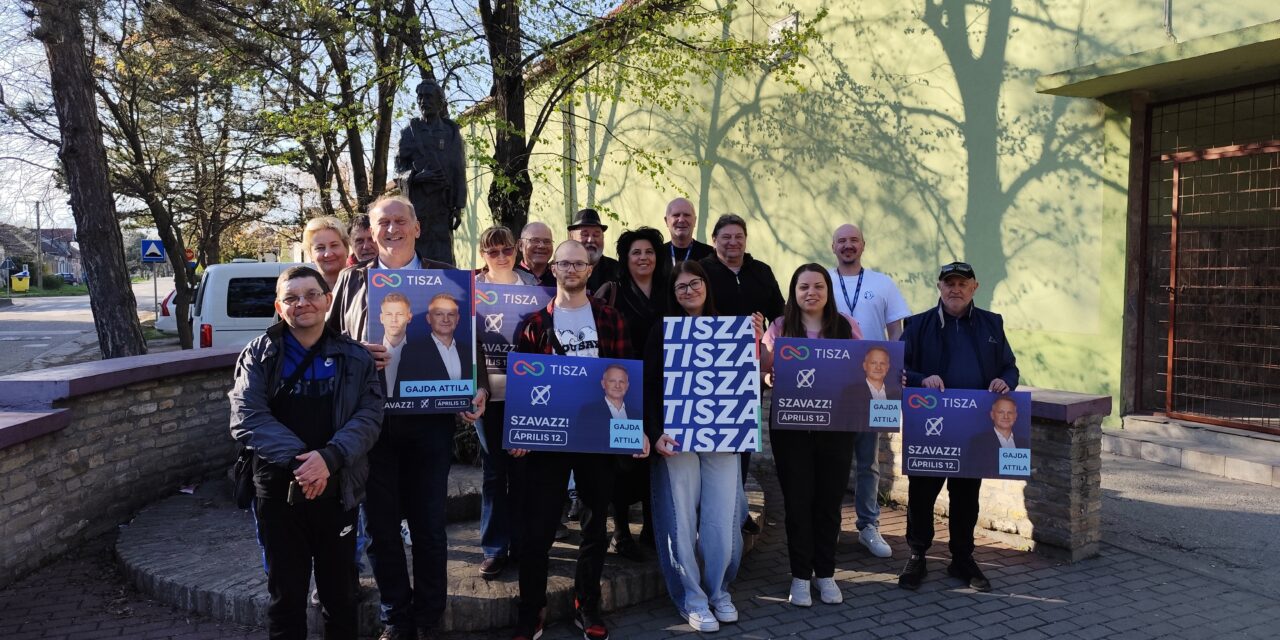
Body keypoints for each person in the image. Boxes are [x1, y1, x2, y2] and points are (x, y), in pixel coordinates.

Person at [326, 195, 489, 640]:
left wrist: (477, 386)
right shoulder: (352, 280)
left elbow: (469, 342)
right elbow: (332, 344)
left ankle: (430, 616)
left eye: (401, 221)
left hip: (429, 422)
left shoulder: (447, 277)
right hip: (371, 425)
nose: (392, 229)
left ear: (417, 228)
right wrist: (356, 353)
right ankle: (396, 617)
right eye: (384, 223)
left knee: (429, 525)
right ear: (372, 231)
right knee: (378, 528)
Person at [229, 265, 383, 640]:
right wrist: (306, 463)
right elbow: (246, 416)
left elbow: (369, 415)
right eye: (292, 298)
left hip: (337, 487)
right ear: (279, 308)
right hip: (278, 492)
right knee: (286, 596)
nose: (303, 304)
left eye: (312, 295)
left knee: (340, 595)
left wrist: (328, 459)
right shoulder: (259, 354)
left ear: (327, 300)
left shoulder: (354, 357)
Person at [508, 240, 646, 640]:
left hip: (596, 438)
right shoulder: (534, 324)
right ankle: (531, 610)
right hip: (548, 442)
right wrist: (519, 433)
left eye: (578, 264)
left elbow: (625, 378)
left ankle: (586, 604)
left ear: (589, 270)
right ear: (554, 269)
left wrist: (632, 432)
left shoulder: (610, 319)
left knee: (593, 529)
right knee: (538, 531)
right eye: (563, 263)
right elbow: (523, 386)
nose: (570, 269)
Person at [898, 261, 1018, 594]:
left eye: (962, 283)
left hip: (974, 426)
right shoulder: (918, 324)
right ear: (939, 287)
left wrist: (1003, 381)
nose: (955, 289)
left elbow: (1010, 367)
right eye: (949, 283)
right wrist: (923, 379)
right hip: (930, 426)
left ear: (975, 287)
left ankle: (962, 558)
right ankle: (918, 554)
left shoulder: (991, 324)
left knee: (966, 496)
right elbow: (901, 369)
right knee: (922, 493)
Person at [645, 260, 745, 632]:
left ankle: (719, 590)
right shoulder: (662, 331)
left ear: (707, 285)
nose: (689, 291)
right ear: (673, 294)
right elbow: (650, 386)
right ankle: (692, 597)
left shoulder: (731, 328)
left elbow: (748, 382)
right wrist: (654, 432)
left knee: (722, 519)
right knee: (681, 520)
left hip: (722, 437)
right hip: (676, 439)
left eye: (695, 283)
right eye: (681, 287)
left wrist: (752, 341)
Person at [757, 264, 863, 608]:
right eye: (804, 287)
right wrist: (766, 367)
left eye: (818, 286)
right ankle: (801, 576)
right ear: (794, 292)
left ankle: (826, 573)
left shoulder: (845, 327)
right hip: (792, 430)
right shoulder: (780, 327)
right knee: (798, 504)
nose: (811, 292)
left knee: (829, 504)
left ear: (828, 291)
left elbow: (865, 370)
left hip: (836, 429)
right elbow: (766, 368)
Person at [828, 223, 910, 560]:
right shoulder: (822, 279)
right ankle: (829, 525)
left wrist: (898, 372)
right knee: (831, 461)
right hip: (831, 386)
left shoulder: (882, 283)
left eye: (854, 240)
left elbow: (897, 330)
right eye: (842, 241)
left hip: (874, 388)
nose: (848, 246)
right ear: (833, 246)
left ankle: (868, 526)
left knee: (868, 463)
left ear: (864, 245)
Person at [698, 213, 784, 534]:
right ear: (714, 239)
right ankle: (712, 509)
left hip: (750, 369)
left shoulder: (761, 272)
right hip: (709, 367)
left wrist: (768, 343)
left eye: (738, 236)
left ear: (745, 240)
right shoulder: (702, 271)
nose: (733, 242)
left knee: (742, 441)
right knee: (711, 441)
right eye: (726, 237)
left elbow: (780, 315)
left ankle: (738, 507)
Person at [593, 227, 667, 560]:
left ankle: (653, 528)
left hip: (662, 388)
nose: (643, 258)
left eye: (649, 251)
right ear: (626, 258)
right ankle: (621, 532)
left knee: (656, 460)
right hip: (623, 387)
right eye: (636, 252)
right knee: (622, 461)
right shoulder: (614, 292)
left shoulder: (669, 292)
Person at [473, 226, 536, 580]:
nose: (500, 256)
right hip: (489, 396)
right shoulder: (472, 290)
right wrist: (477, 387)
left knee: (524, 471)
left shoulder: (532, 288)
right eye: (492, 251)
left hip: (527, 394)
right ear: (483, 254)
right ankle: (495, 548)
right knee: (494, 472)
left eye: (506, 249)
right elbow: (467, 343)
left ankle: (526, 543)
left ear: (516, 250)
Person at [395, 79, 466, 265]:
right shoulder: (409, 133)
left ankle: (448, 289)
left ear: (440, 101)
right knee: (418, 250)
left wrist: (459, 206)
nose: (423, 101)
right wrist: (417, 177)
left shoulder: (450, 132)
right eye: (420, 97)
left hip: (443, 205)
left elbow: (458, 168)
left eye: (428, 97)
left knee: (444, 252)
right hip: (418, 206)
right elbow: (398, 170)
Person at [398, 293, 473, 383]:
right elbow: (402, 392)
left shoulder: (469, 352)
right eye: (439, 314)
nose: (446, 319)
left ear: (457, 319)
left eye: (451, 314)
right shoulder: (412, 351)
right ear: (429, 318)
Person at [965, 396, 1027, 478]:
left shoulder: (1023, 442)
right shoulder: (978, 442)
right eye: (1001, 412)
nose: (1006, 416)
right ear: (992, 415)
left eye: (1010, 412)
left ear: (1015, 416)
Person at [567, 208, 620, 293]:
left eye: (596, 235)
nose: (591, 240)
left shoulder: (618, 271)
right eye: (585, 234)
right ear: (571, 237)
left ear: (603, 238)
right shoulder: (559, 269)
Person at [378, 293, 414, 396]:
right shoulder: (368, 352)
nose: (394, 319)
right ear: (381, 318)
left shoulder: (422, 352)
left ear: (409, 317)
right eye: (389, 314)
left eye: (400, 314)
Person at [303, 216, 352, 291]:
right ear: (310, 254)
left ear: (346, 248)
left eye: (334, 245)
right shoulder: (303, 292)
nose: (328, 254)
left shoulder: (365, 285)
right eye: (320, 248)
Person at [662, 197, 713, 264]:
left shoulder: (710, 255)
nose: (681, 220)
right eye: (676, 215)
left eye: (687, 215)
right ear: (666, 221)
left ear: (695, 220)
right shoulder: (657, 254)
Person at [517, 221, 556, 287]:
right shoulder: (509, 276)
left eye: (547, 241)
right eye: (535, 240)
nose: (541, 246)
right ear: (521, 245)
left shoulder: (560, 279)